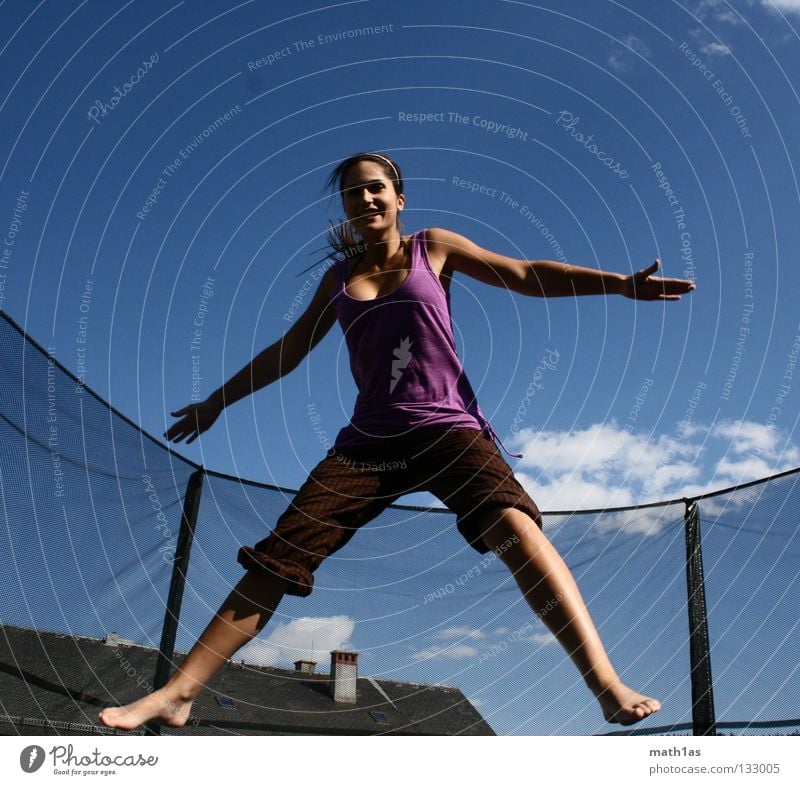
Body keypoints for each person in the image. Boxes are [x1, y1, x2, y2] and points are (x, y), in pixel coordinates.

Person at [99, 152, 695, 731]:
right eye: (353, 191)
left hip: (447, 427)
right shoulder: (339, 280)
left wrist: (617, 284)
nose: (365, 197)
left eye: (376, 186)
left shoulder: (432, 247)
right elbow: (289, 351)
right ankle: (178, 694)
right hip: (368, 442)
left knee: (513, 524)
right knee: (279, 555)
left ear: (398, 198)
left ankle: (605, 683)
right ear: (345, 208)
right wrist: (217, 401)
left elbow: (525, 276)